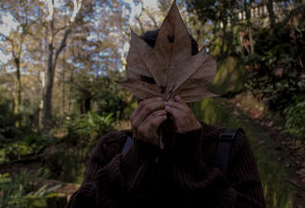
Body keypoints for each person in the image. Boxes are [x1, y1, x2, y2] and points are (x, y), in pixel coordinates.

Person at [66, 30, 266, 208]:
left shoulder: (229, 146)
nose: (163, 96)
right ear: (134, 88)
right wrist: (137, 156)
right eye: (148, 82)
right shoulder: (111, 148)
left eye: (178, 82)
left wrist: (190, 160)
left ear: (196, 85)